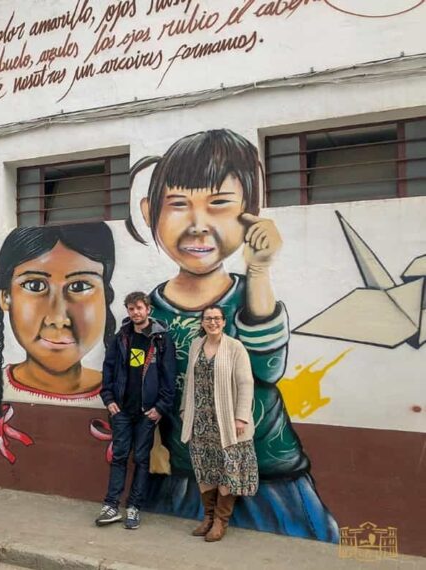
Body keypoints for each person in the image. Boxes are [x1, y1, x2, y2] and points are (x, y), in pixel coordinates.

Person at [128, 129, 338, 541]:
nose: (198, 225)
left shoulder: (248, 297)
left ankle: (220, 520)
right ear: (150, 210)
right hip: (179, 463)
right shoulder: (149, 315)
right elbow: (143, 372)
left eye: (220, 204)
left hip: (273, 473)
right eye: (178, 205)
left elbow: (266, 367)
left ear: (251, 214)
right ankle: (211, 519)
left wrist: (259, 270)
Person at [0, 223, 116, 463]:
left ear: (106, 297)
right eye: (35, 286)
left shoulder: (116, 392)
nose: (58, 318)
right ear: (5, 297)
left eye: (79, 286)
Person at [95, 291, 175, 529]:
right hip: (121, 410)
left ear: (148, 309)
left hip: (147, 413)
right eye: (131, 309)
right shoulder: (122, 337)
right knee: (119, 457)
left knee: (141, 459)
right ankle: (111, 506)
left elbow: (169, 377)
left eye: (139, 307)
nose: (136, 312)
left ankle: (133, 507)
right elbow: (108, 369)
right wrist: (108, 398)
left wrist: (160, 407)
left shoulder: (160, 339)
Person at [181, 305, 258, 542]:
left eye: (217, 318)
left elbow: (246, 383)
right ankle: (207, 517)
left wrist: (240, 417)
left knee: (227, 472)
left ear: (224, 322)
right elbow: (189, 380)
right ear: (202, 322)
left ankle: (220, 522)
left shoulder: (235, 347)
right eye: (208, 318)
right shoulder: (196, 345)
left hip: (226, 422)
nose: (212, 322)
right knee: (204, 469)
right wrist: (185, 409)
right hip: (200, 421)